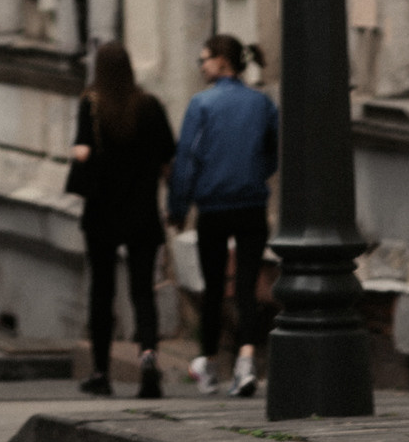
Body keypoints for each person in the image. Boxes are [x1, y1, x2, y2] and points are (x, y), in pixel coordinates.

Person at [167, 29, 278, 397]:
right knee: (246, 284)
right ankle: (246, 362)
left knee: (213, 286)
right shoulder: (261, 103)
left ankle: (210, 363)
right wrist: (253, 177)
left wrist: (178, 208)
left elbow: (186, 162)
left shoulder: (201, 105)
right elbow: (272, 152)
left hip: (213, 207)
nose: (200, 67)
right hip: (251, 205)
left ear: (221, 61)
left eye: (203, 59)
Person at [68, 39, 174, 401]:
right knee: (143, 292)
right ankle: (148, 361)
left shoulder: (91, 105)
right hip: (142, 212)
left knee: (102, 291)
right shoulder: (149, 105)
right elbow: (168, 154)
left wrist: (82, 155)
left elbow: (82, 148)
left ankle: (100, 371)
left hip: (101, 213)